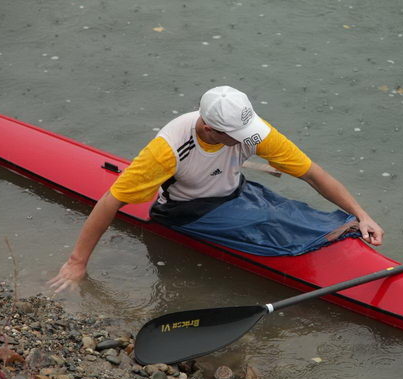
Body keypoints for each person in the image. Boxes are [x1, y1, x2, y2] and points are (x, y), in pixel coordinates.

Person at [49, 86, 384, 293]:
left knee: (290, 210)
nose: (247, 140)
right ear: (208, 127)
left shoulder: (252, 131)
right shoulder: (167, 149)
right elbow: (111, 201)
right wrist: (77, 262)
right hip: (187, 211)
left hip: (236, 192)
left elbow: (313, 174)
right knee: (269, 221)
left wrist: (361, 214)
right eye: (235, 135)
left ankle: (338, 242)